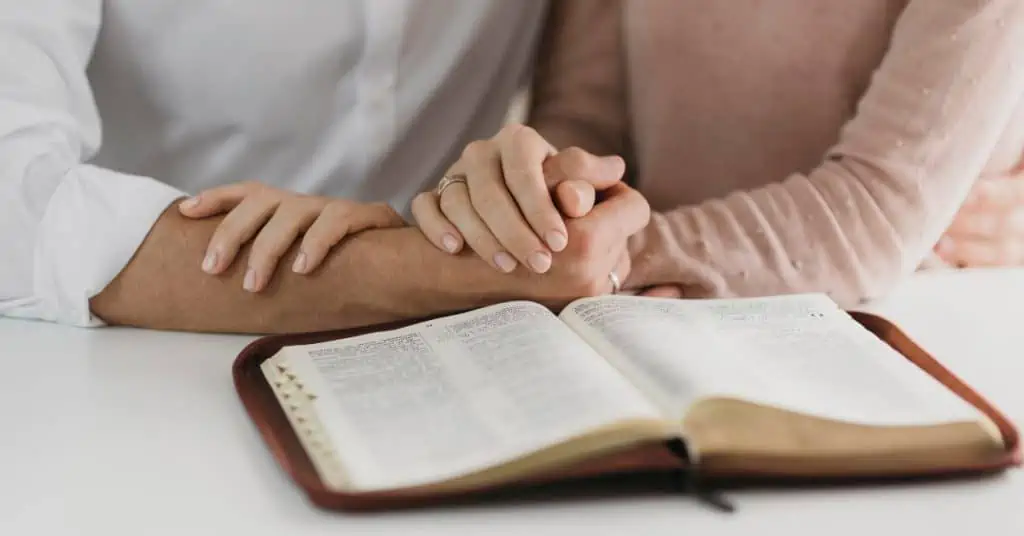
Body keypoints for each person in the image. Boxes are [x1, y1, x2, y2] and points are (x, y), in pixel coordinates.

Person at [0, 1, 650, 334]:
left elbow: (577, 112)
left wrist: (539, 204)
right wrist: (413, 268)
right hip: (113, 359)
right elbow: (11, 194)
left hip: (460, 357)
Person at [410, 0, 1024, 305]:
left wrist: (615, 255)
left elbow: (870, 208)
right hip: (649, 315)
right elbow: (586, 121)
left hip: (898, 328)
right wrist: (544, 202)